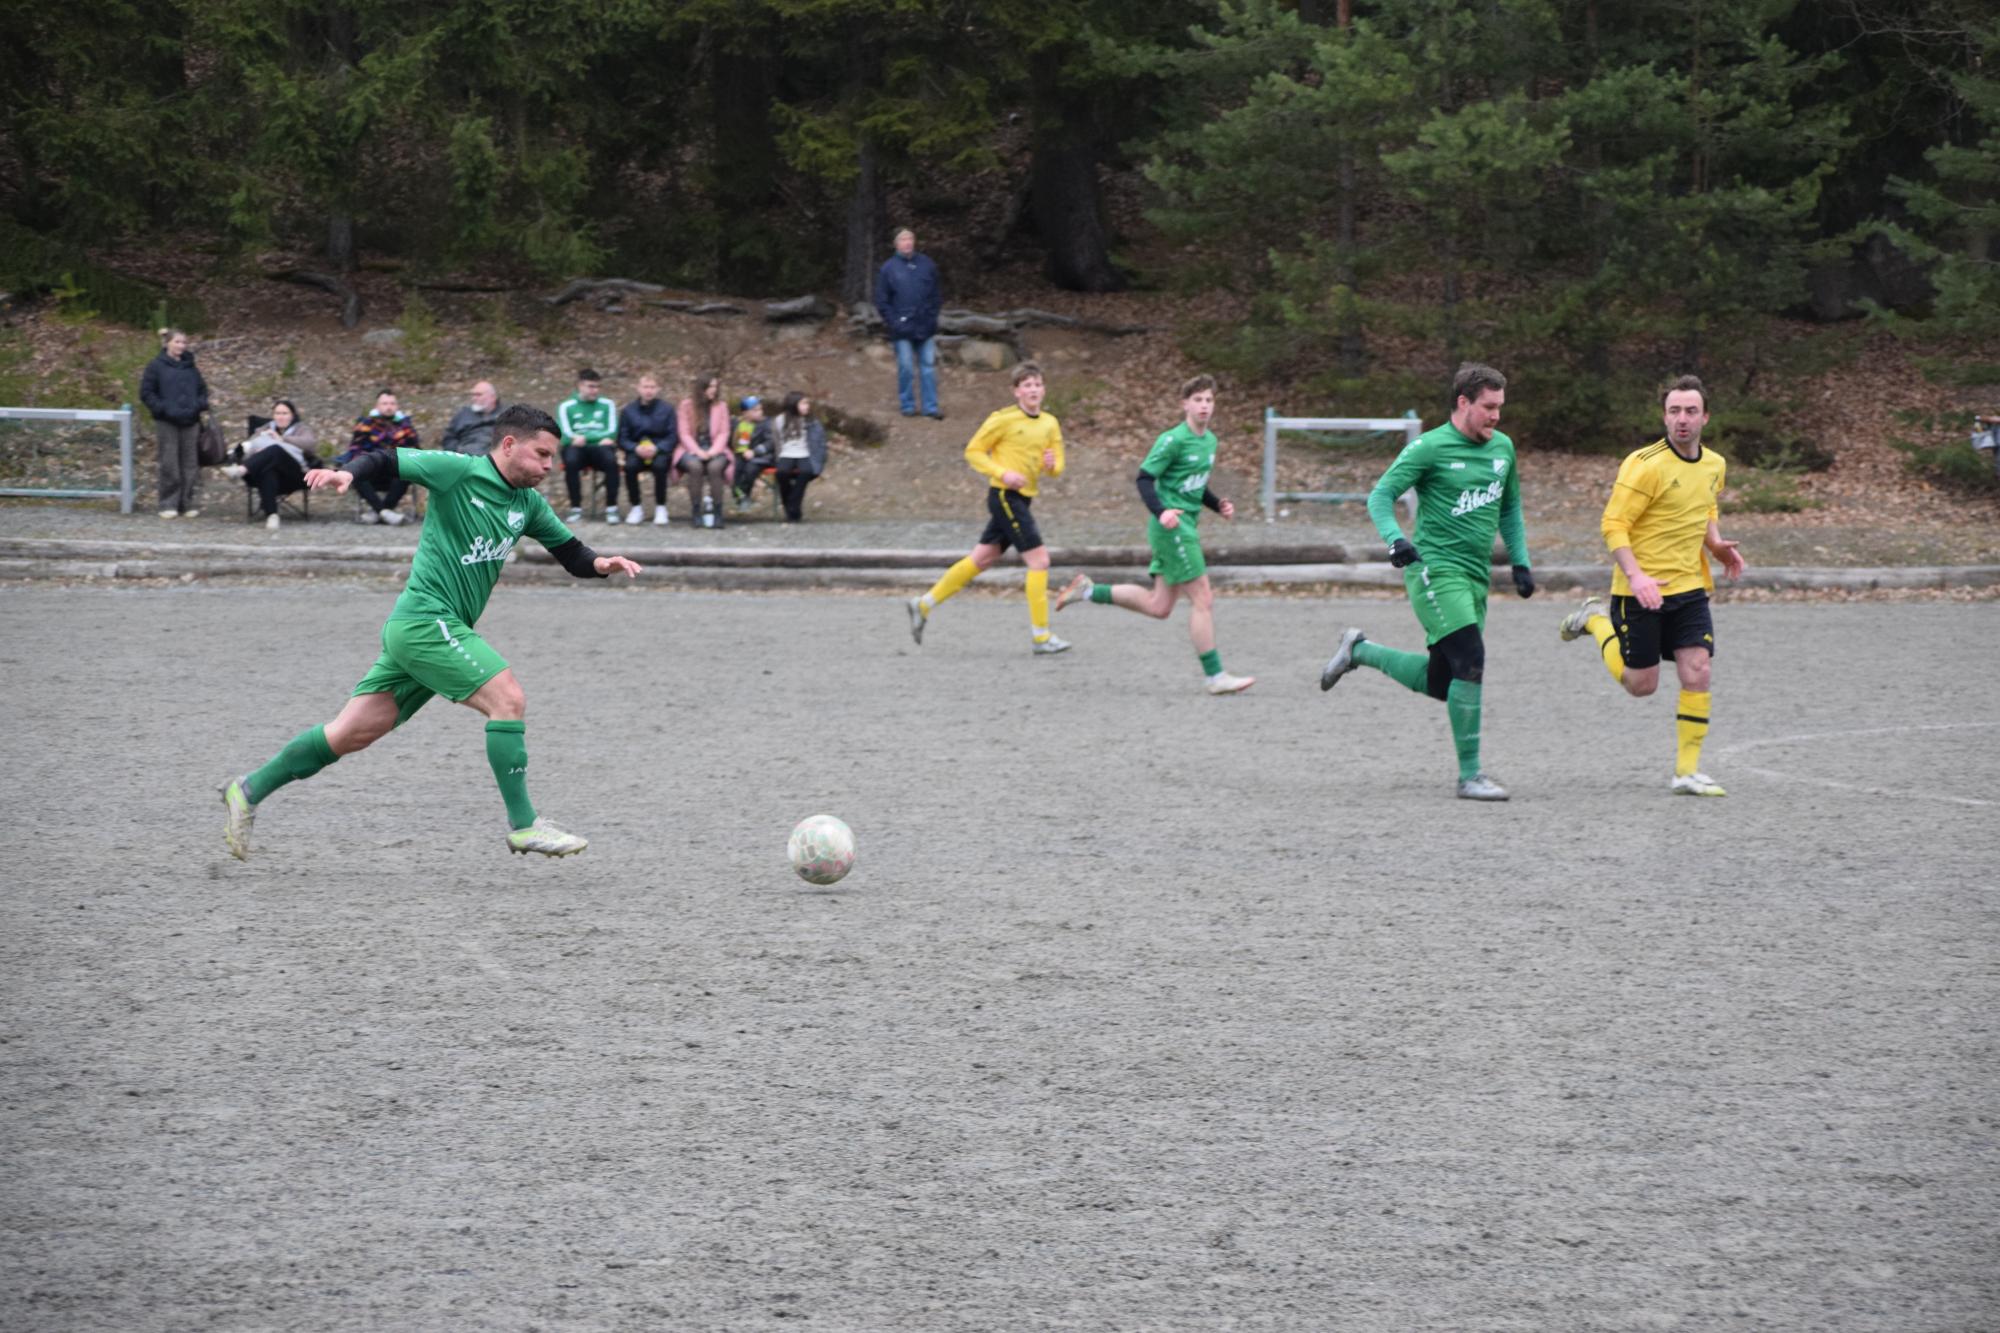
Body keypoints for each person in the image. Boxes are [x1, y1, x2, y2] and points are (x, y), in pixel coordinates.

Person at [219, 405, 643, 862]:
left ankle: (249, 789)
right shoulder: (458, 472)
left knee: (347, 734)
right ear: (508, 445)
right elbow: (387, 459)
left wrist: (601, 564)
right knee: (508, 699)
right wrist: (347, 473)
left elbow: (572, 554)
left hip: (429, 631)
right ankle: (524, 825)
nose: (548, 466)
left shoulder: (527, 504)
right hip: (426, 621)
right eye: (541, 454)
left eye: (552, 457)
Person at [1316, 362, 1534, 801]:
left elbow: (1509, 508)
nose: (1496, 416)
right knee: (1471, 659)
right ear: (1463, 402)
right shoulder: (1430, 447)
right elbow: (1380, 495)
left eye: (1500, 407)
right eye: (1488, 407)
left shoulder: (1503, 448)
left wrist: (1521, 562)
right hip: (1435, 570)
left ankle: (1360, 650)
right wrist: (1395, 540)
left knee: (1442, 682)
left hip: (1474, 578)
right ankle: (1470, 776)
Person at [1556, 374, 1746, 796]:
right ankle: (1595, 620)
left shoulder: (1715, 465)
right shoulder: (1644, 465)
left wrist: (1715, 544)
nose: (1682, 419)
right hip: (1639, 590)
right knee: (1641, 685)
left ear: (1705, 417)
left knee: (1698, 670)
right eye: (1674, 411)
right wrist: (1637, 575)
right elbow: (1613, 524)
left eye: (1691, 411)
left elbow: (1705, 506)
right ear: (1664, 416)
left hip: (1689, 588)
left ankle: (1686, 772)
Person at [1054, 375, 1254, 694]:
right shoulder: (1172, 440)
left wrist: (1218, 505)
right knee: (1203, 598)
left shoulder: (1210, 441)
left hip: (1183, 526)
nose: (1204, 405)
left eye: (1209, 400)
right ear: (1185, 404)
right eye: (1198, 400)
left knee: (1159, 606)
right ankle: (1215, 676)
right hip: (1172, 528)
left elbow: (1195, 484)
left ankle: (1088, 590)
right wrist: (1161, 512)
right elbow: (1144, 479)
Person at [905, 362, 1068, 654]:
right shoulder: (1002, 420)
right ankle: (1041, 637)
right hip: (1005, 496)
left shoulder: (1050, 423)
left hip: (1023, 498)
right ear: (1016, 391)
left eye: (1037, 384)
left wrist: (1051, 465)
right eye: (1027, 385)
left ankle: (924, 604)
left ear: (1044, 390)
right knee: (1039, 561)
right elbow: (974, 451)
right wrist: (1002, 473)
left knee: (982, 558)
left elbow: (1057, 466)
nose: (1033, 390)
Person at [139, 327, 209, 519]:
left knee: (190, 464)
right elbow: (146, 392)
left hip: (191, 421)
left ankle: (187, 502)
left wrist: (198, 405)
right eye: (177, 342)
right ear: (167, 343)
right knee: (169, 462)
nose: (181, 346)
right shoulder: (156, 366)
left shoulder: (191, 367)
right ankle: (168, 503)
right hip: (167, 422)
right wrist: (162, 409)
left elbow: (203, 391)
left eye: (184, 342)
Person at [874, 227, 943, 419]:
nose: (907, 243)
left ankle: (930, 407)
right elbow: (882, 301)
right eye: (903, 240)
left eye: (910, 239)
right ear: (896, 244)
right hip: (901, 327)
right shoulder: (888, 268)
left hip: (925, 325)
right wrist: (894, 322)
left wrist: (932, 316)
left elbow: (936, 295)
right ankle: (907, 405)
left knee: (928, 367)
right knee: (906, 367)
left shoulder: (927, 264)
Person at [222, 400, 319, 531]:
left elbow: (310, 444)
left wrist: (282, 439)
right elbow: (250, 445)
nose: (280, 417)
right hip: (267, 474)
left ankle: (240, 470)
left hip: (296, 475)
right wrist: (258, 452)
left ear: (292, 415)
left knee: (275, 450)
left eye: (284, 413)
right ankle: (272, 515)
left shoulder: (301, 429)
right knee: (268, 470)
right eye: (277, 413)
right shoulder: (265, 428)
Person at [340, 390, 419, 525]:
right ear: (377, 406)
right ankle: (385, 512)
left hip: (395, 469)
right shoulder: (365, 425)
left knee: (408, 472)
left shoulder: (406, 427)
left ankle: (379, 512)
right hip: (371, 469)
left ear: (397, 406)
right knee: (355, 472)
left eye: (392, 404)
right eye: (385, 403)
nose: (389, 407)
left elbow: (414, 450)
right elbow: (356, 449)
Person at [557, 369, 619, 523]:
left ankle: (611, 508)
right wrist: (598, 438)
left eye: (597, 386)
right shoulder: (566, 406)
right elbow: (564, 435)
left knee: (611, 460)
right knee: (571, 460)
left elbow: (612, 432)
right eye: (591, 386)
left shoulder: (607, 404)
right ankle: (575, 507)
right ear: (580, 386)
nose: (595, 390)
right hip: (577, 449)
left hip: (599, 448)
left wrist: (584, 438)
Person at [616, 373, 675, 526]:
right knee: (630, 467)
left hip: (659, 450)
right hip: (636, 450)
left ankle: (661, 507)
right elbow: (622, 437)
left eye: (652, 387)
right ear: (638, 388)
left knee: (660, 466)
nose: (649, 391)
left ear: (658, 389)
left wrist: (658, 448)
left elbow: (672, 436)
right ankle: (636, 507)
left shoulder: (667, 409)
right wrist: (634, 448)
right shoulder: (628, 410)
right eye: (645, 387)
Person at [676, 374, 733, 528]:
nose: (713, 390)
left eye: (715, 386)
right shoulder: (686, 405)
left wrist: (713, 451)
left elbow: (724, 433)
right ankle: (696, 511)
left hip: (716, 448)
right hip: (690, 448)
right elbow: (684, 434)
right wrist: (697, 451)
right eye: (710, 387)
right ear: (701, 388)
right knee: (695, 467)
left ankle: (718, 512)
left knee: (715, 468)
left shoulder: (721, 406)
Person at [766, 391, 828, 523]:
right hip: (786, 453)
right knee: (782, 473)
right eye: (803, 403)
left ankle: (793, 505)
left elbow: (819, 443)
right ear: (793, 404)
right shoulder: (780, 420)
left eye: (807, 403)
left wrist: (819, 457)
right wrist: (777, 456)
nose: (807, 406)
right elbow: (776, 440)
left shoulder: (811, 422)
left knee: (806, 471)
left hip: (804, 453)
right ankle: (790, 506)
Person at [439, 381, 504, 456]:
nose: (474, 398)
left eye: (478, 395)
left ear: (493, 397)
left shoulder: (507, 413)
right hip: (465, 456)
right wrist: (457, 453)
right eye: (473, 395)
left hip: (496, 455)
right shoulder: (463, 414)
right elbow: (449, 438)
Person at [729, 396, 770, 508]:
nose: (760, 412)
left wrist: (755, 451)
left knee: (750, 468)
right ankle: (739, 496)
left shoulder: (766, 424)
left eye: (760, 409)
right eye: (755, 410)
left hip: (761, 456)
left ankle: (745, 495)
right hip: (741, 455)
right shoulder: (738, 424)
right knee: (736, 468)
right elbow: (733, 441)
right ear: (745, 413)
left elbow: (770, 442)